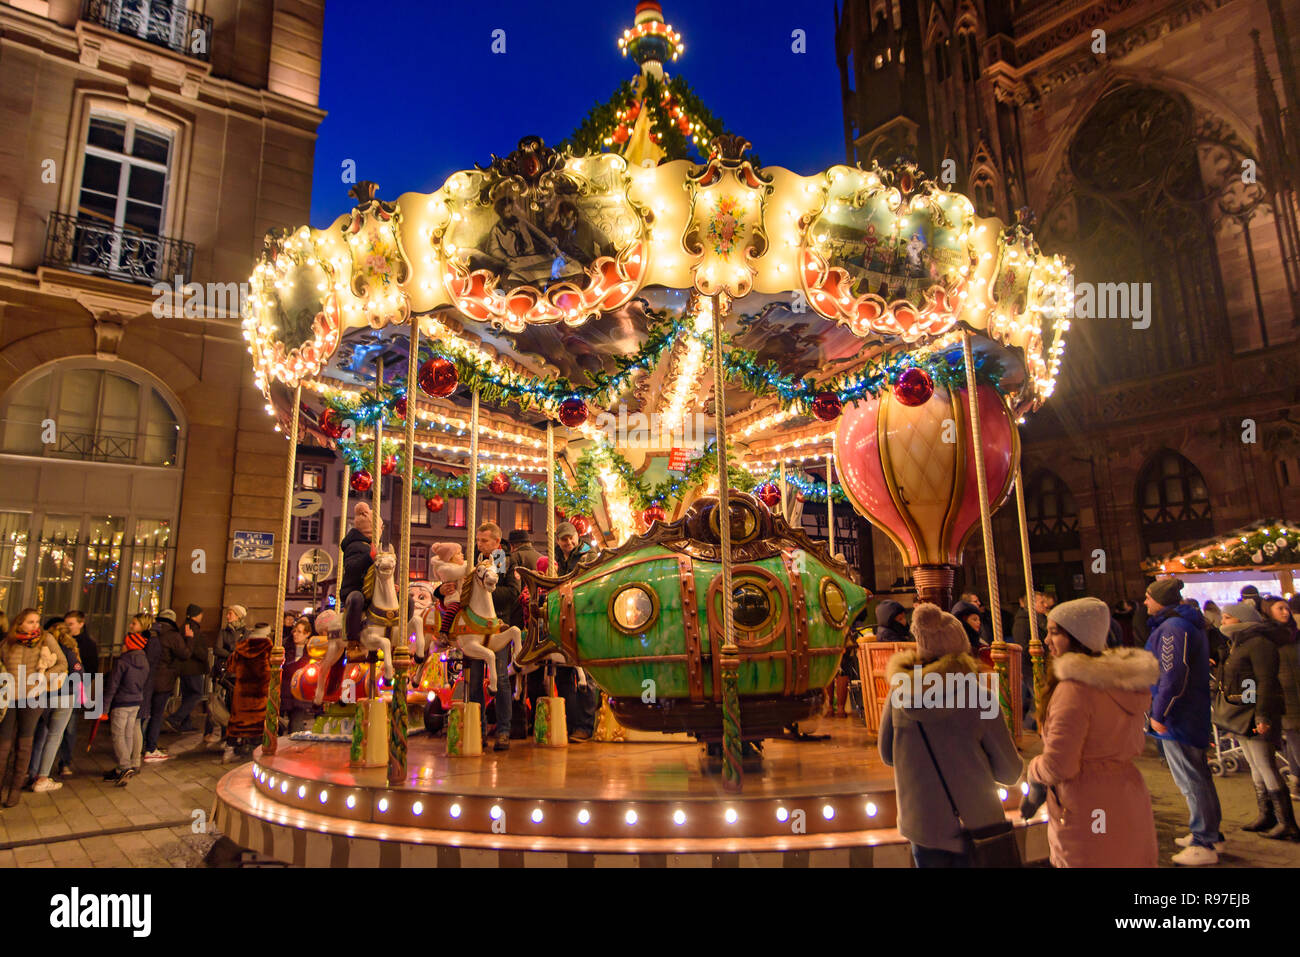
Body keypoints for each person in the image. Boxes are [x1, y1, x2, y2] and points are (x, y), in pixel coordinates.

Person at [878, 603, 1022, 867]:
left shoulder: (898, 696)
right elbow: (1009, 771)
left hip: (923, 825)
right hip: (978, 823)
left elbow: (888, 755)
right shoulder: (980, 698)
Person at [1021, 597, 1159, 867]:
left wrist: (1034, 771)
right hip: (1127, 795)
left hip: (1086, 801)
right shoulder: (1122, 682)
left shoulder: (1075, 689)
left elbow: (1060, 764)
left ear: (1078, 636)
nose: (1046, 640)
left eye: (1054, 632)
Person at [1144, 577, 1223, 865]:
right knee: (1196, 776)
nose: (1145, 602)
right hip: (1186, 711)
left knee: (1191, 778)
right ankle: (1209, 832)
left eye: (1149, 597)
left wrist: (1160, 712)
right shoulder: (1179, 626)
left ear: (1161, 600)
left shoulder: (1173, 629)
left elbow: (1173, 674)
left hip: (1180, 715)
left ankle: (1205, 838)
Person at [1218, 601, 1298, 840]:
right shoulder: (1237, 643)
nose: (1223, 622)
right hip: (1242, 711)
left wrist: (1261, 714)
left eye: (1228, 617)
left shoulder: (1259, 643)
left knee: (1265, 764)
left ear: (1242, 619)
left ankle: (1287, 823)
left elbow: (1265, 681)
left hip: (1256, 712)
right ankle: (1267, 815)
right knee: (1254, 764)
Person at [0, 609, 67, 807]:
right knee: (3, 746)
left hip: (33, 698)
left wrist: (42, 678)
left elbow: (62, 664)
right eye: (30, 622)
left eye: (37, 621)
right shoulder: (7, 642)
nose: (35, 625)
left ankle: (14, 792)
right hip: (10, 698)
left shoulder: (45, 639)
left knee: (24, 745)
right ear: (19, 623)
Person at [464, 522, 520, 751]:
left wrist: (485, 594)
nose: (480, 544)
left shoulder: (500, 559)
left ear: (497, 542)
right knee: (475, 678)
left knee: (500, 677)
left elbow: (512, 592)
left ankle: (504, 729)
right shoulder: (475, 559)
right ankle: (477, 727)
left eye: (485, 540)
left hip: (496, 622)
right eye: (478, 540)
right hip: (474, 625)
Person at [29, 620, 82, 793]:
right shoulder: (68, 652)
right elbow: (78, 674)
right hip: (64, 697)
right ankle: (43, 777)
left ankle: (32, 773)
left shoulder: (42, 649)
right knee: (54, 736)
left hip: (43, 696)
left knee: (40, 734)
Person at [142, 609, 192, 761]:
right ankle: (150, 748)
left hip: (145, 678)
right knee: (156, 715)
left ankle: (136, 746)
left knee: (143, 715)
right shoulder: (173, 636)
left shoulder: (148, 633)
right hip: (163, 680)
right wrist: (189, 638)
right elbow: (185, 654)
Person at [102, 628, 149, 785]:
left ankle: (124, 766)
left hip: (121, 702)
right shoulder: (144, 661)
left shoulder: (122, 662)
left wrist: (104, 709)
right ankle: (125, 766)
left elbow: (112, 686)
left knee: (118, 735)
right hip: (136, 701)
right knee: (128, 734)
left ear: (128, 645)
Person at [225, 623, 274, 762]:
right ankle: (257, 753)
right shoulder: (268, 647)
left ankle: (228, 751)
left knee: (237, 721)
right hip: (260, 691)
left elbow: (231, 667)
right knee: (258, 723)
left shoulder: (241, 647)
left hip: (242, 692)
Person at [60, 610, 97, 775]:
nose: (67, 627)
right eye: (66, 623)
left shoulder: (87, 645)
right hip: (57, 689)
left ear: (81, 624)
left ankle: (64, 761)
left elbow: (91, 669)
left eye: (71, 624)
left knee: (70, 727)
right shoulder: (60, 641)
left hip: (74, 690)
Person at [340, 502, 381, 643]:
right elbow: (352, 568)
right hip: (356, 589)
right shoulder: (354, 546)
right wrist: (369, 557)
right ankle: (353, 640)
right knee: (357, 599)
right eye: (380, 527)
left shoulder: (373, 546)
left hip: (374, 592)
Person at [168, 603, 208, 733]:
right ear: (196, 615)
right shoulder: (192, 629)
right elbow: (195, 649)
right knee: (196, 694)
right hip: (193, 668)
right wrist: (203, 655)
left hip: (184, 669)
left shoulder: (183, 627)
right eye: (200, 614)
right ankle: (176, 718)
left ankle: (185, 723)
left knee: (187, 695)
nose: (202, 616)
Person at [282, 616, 315, 734]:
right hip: (288, 689)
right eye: (295, 631)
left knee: (296, 719)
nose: (296, 634)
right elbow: (286, 668)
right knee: (292, 720)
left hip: (301, 690)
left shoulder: (311, 650)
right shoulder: (287, 647)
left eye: (299, 632)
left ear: (307, 634)